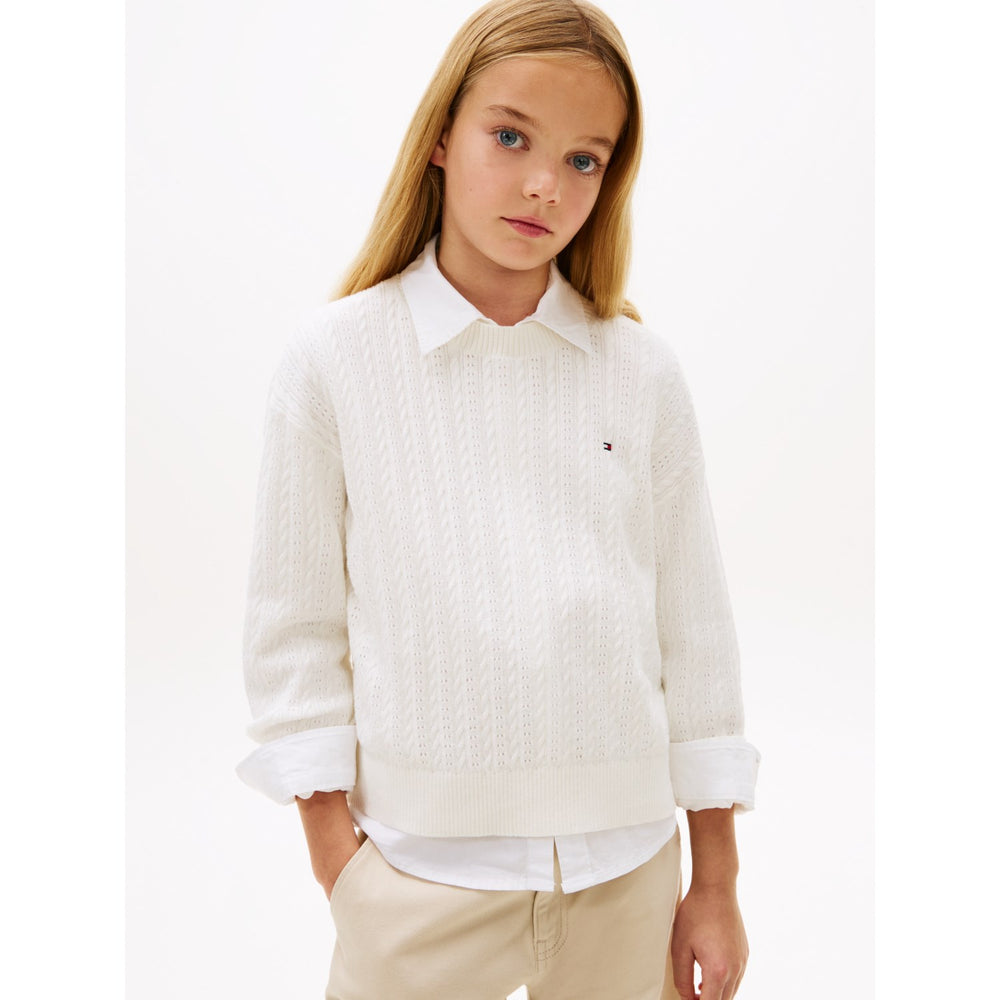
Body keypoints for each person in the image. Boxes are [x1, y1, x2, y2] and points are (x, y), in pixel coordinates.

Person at [236, 2, 760, 998]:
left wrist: (715, 881)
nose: (543, 186)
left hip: (628, 877)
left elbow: (696, 635)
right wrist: (340, 864)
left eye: (583, 159)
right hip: (414, 878)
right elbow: (293, 630)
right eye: (511, 136)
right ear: (441, 134)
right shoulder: (334, 362)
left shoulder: (641, 372)